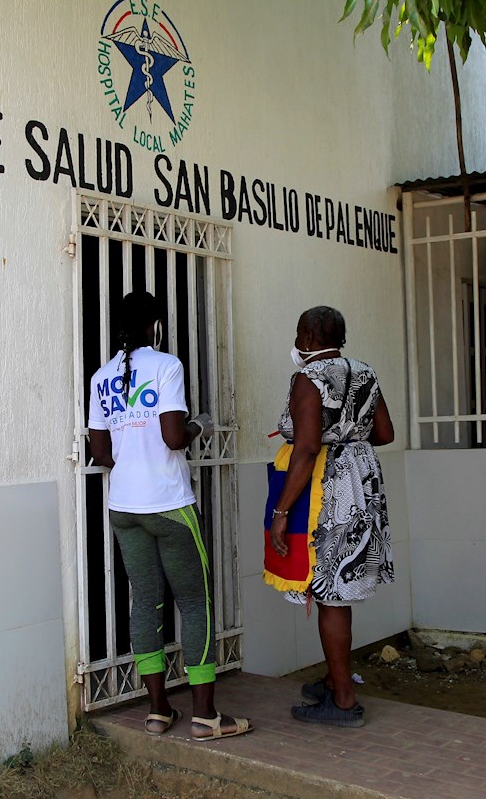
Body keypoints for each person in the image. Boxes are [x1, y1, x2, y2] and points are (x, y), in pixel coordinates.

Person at [87, 291, 251, 741]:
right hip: (169, 505)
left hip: (124, 508)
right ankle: (205, 717)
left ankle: (158, 712)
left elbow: (100, 453)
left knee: (145, 600)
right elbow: (175, 438)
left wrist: (134, 467)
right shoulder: (166, 366)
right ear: (154, 326)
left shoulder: (101, 378)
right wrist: (202, 424)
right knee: (194, 601)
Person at [268, 306, 395, 727]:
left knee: (329, 593)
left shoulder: (308, 379)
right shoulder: (364, 371)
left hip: (327, 487)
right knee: (339, 589)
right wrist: (349, 433)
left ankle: (343, 700)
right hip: (361, 480)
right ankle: (334, 678)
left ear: (306, 337)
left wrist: (282, 512)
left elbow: (305, 449)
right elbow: (385, 433)